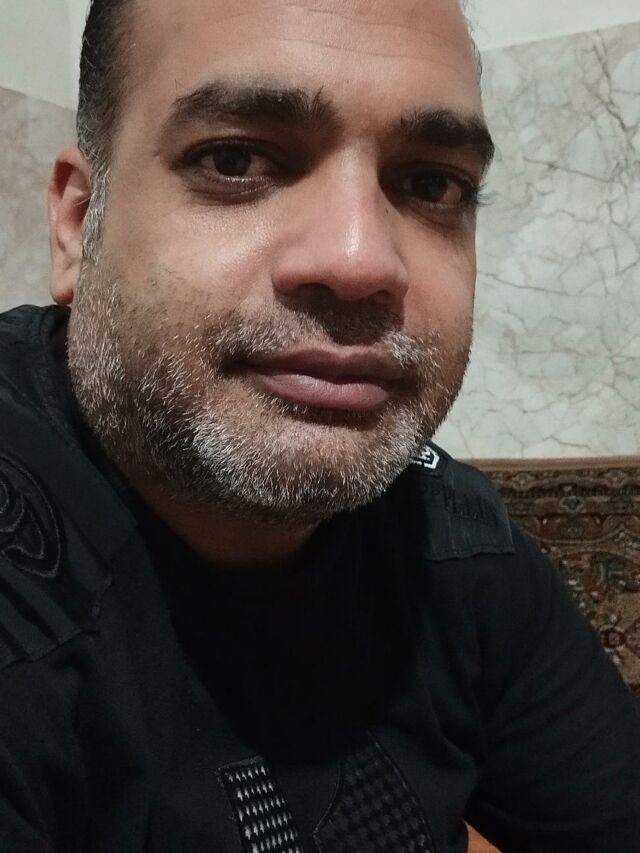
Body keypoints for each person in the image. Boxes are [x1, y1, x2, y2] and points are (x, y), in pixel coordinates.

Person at [0, 0, 638, 850]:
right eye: (236, 159)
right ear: (80, 224)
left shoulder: (456, 541)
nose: (360, 260)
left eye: (430, 184)